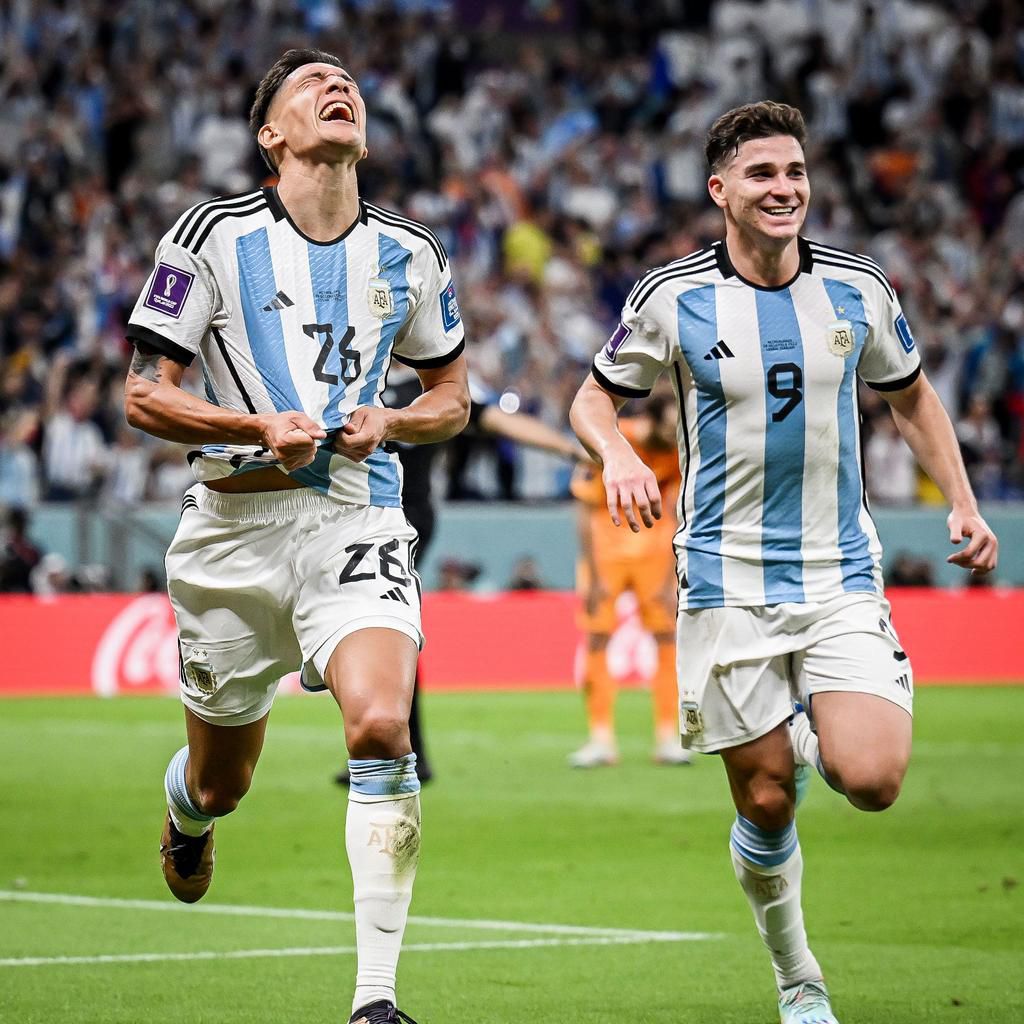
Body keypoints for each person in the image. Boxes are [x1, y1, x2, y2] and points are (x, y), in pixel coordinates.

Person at [569, 101, 998, 1024]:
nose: (785, 189)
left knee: (874, 780)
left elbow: (912, 396)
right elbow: (592, 402)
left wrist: (961, 498)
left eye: (796, 173)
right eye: (763, 175)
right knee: (765, 805)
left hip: (838, 571)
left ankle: (813, 734)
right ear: (719, 190)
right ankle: (799, 979)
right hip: (723, 585)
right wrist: (616, 454)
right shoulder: (673, 298)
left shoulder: (859, 290)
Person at [123, 49, 470, 1024]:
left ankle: (374, 1000)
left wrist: (392, 423)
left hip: (353, 515)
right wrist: (253, 428)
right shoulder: (207, 237)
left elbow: (452, 396)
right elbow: (143, 394)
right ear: (269, 133)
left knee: (379, 724)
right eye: (311, 85)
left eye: (348, 83)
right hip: (232, 531)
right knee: (221, 777)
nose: (340, 88)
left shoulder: (409, 250)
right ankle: (188, 813)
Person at [334, 371, 585, 786]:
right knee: (378, 630)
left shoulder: (432, 389)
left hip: (405, 522)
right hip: (351, 522)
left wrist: (570, 449)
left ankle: (397, 747)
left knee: (387, 630)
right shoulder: (356, 374)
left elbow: (496, 420)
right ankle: (395, 745)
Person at [568, 392, 691, 768]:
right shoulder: (615, 443)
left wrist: (673, 574)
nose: (673, 437)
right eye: (668, 429)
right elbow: (585, 507)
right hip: (607, 554)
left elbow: (679, 509)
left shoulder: (679, 448)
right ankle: (600, 737)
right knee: (597, 637)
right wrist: (592, 570)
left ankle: (669, 736)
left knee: (668, 638)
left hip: (655, 554)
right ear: (651, 421)